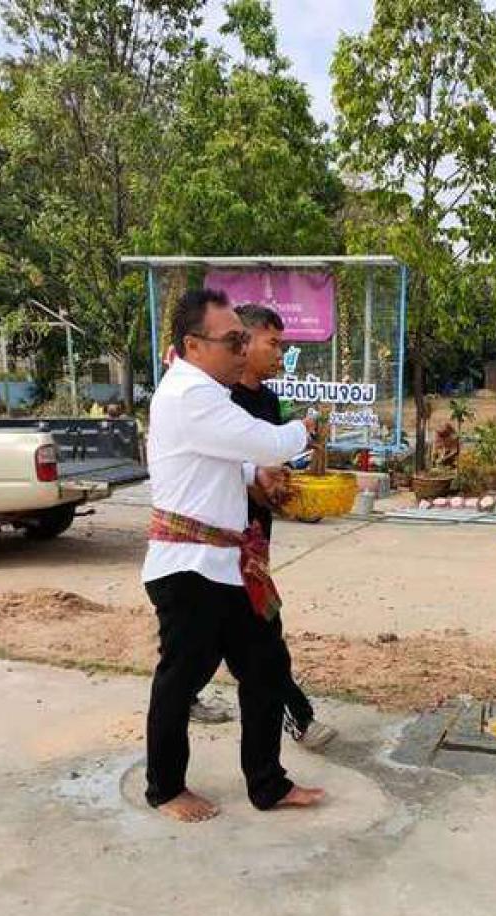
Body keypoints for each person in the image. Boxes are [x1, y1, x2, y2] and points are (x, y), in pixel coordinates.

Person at [142, 287, 324, 823]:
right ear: (194, 345)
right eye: (233, 341)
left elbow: (218, 458)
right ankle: (165, 788)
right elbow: (265, 443)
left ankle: (268, 784)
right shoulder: (189, 394)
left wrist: (253, 477)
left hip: (227, 566)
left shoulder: (205, 392)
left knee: (265, 669)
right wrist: (304, 430)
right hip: (189, 570)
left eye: (246, 340)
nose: (243, 351)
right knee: (181, 681)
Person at [230, 302, 338, 751]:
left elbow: (272, 465)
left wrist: (283, 488)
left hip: (256, 543)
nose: (280, 354)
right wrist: (258, 483)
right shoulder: (221, 401)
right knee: (259, 638)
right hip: (221, 542)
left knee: (252, 635)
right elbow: (230, 470)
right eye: (273, 343)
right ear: (244, 341)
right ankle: (297, 717)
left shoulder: (268, 401)